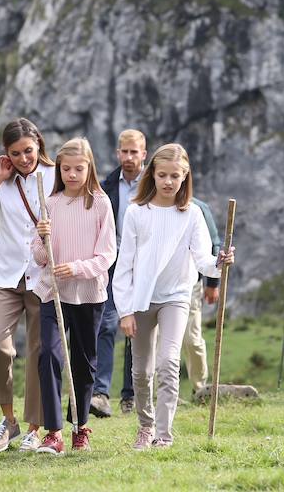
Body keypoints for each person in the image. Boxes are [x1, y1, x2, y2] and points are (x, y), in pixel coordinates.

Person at [113, 143, 234, 450]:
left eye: (175, 176)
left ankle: (163, 434)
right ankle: (145, 425)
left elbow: (203, 259)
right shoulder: (136, 213)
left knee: (168, 363)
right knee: (141, 371)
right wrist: (125, 310)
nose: (168, 182)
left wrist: (220, 263)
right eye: (162, 175)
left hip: (176, 297)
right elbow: (124, 265)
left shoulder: (192, 214)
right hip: (141, 300)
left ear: (185, 177)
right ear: (151, 174)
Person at [31, 138, 117, 455]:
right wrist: (42, 238)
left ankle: (80, 427)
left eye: (78, 169)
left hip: (89, 295)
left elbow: (107, 255)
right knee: (49, 356)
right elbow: (40, 257)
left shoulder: (100, 203)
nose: (71, 174)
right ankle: (53, 432)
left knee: (84, 362)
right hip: (53, 294)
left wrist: (77, 268)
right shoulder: (51, 203)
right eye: (66, 169)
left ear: (89, 167)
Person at [0, 119, 54, 452]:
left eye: (28, 150)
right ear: (6, 154)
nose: (24, 158)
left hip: (43, 278)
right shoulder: (2, 182)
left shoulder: (55, 177)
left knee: (39, 352)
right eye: (16, 153)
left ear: (38, 143)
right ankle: (8, 420)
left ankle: (35, 427)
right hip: (7, 274)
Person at [91, 129, 146, 418]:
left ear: (143, 154)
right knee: (107, 324)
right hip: (113, 263)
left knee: (136, 328)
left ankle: (131, 394)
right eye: (124, 152)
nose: (128, 157)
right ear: (117, 153)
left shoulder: (153, 184)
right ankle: (100, 393)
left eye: (133, 152)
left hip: (144, 265)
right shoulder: (107, 185)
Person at [181, 198, 221, 396]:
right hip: (157, 287)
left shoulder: (199, 208)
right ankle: (156, 393)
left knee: (191, 338)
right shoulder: (150, 203)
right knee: (158, 341)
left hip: (191, 284)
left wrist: (212, 284)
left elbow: (214, 244)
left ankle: (200, 389)